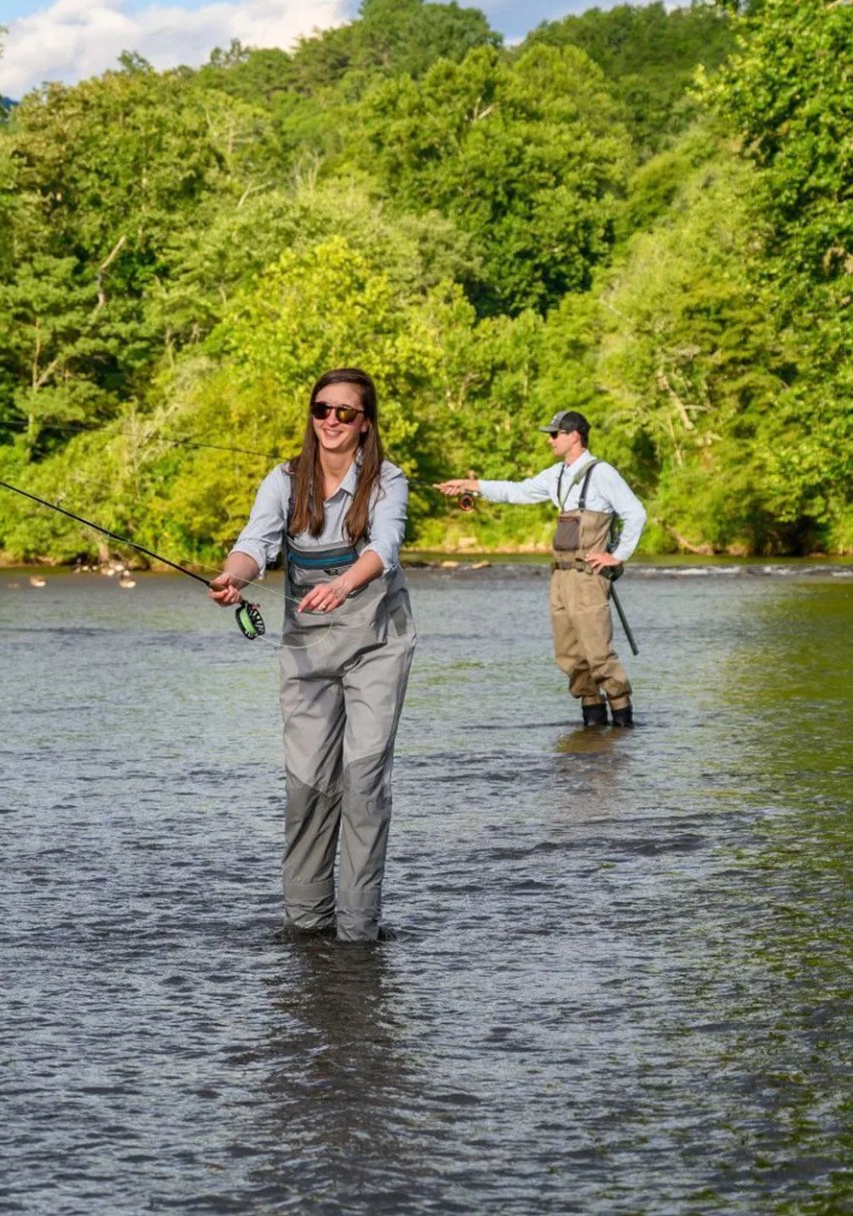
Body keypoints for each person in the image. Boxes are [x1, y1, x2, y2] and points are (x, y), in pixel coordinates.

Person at [209, 368, 415, 943]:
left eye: (345, 412)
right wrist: (233, 577)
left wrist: (346, 583)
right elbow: (255, 543)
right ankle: (305, 927)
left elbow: (386, 547)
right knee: (306, 786)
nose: (331, 420)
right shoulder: (284, 479)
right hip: (306, 647)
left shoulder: (388, 481)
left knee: (364, 779)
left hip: (378, 641)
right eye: (322, 409)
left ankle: (356, 932)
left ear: (365, 423)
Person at [434, 409, 647, 728]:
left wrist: (617, 555)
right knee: (570, 655)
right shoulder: (556, 475)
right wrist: (472, 485)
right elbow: (517, 491)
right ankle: (592, 726)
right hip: (560, 576)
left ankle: (622, 721)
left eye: (554, 434)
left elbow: (636, 513)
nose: (550, 440)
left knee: (598, 653)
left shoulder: (602, 473)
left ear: (574, 436)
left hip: (589, 578)